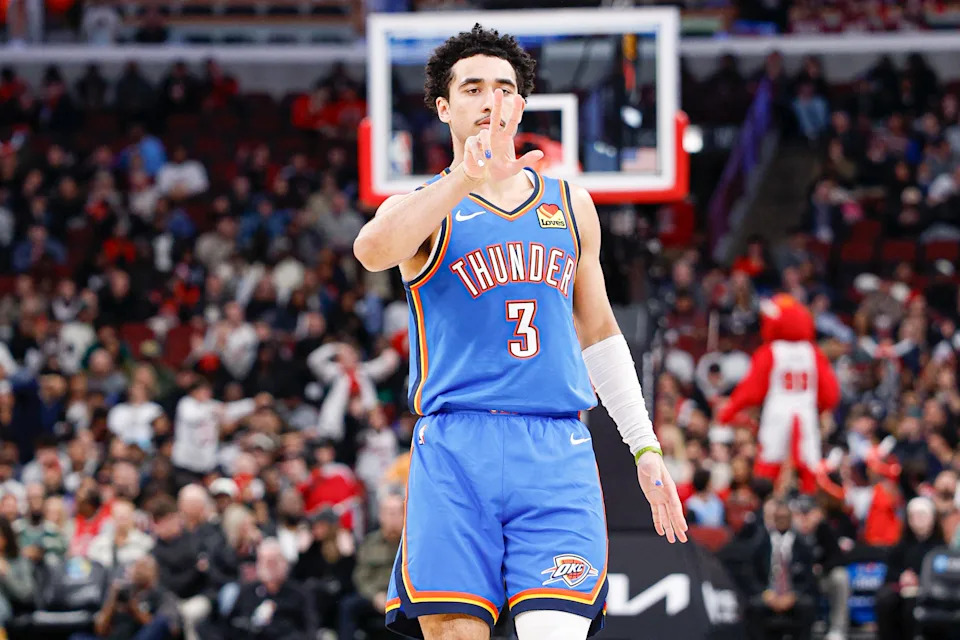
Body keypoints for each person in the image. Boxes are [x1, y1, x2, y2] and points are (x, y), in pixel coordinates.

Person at [352, 24, 687, 640]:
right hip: (455, 448)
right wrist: (463, 180)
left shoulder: (571, 203)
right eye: (473, 88)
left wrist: (644, 447)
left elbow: (602, 334)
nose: (491, 101)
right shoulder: (424, 207)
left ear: (523, 104)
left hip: (554, 448)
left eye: (504, 88)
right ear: (444, 107)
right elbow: (372, 250)